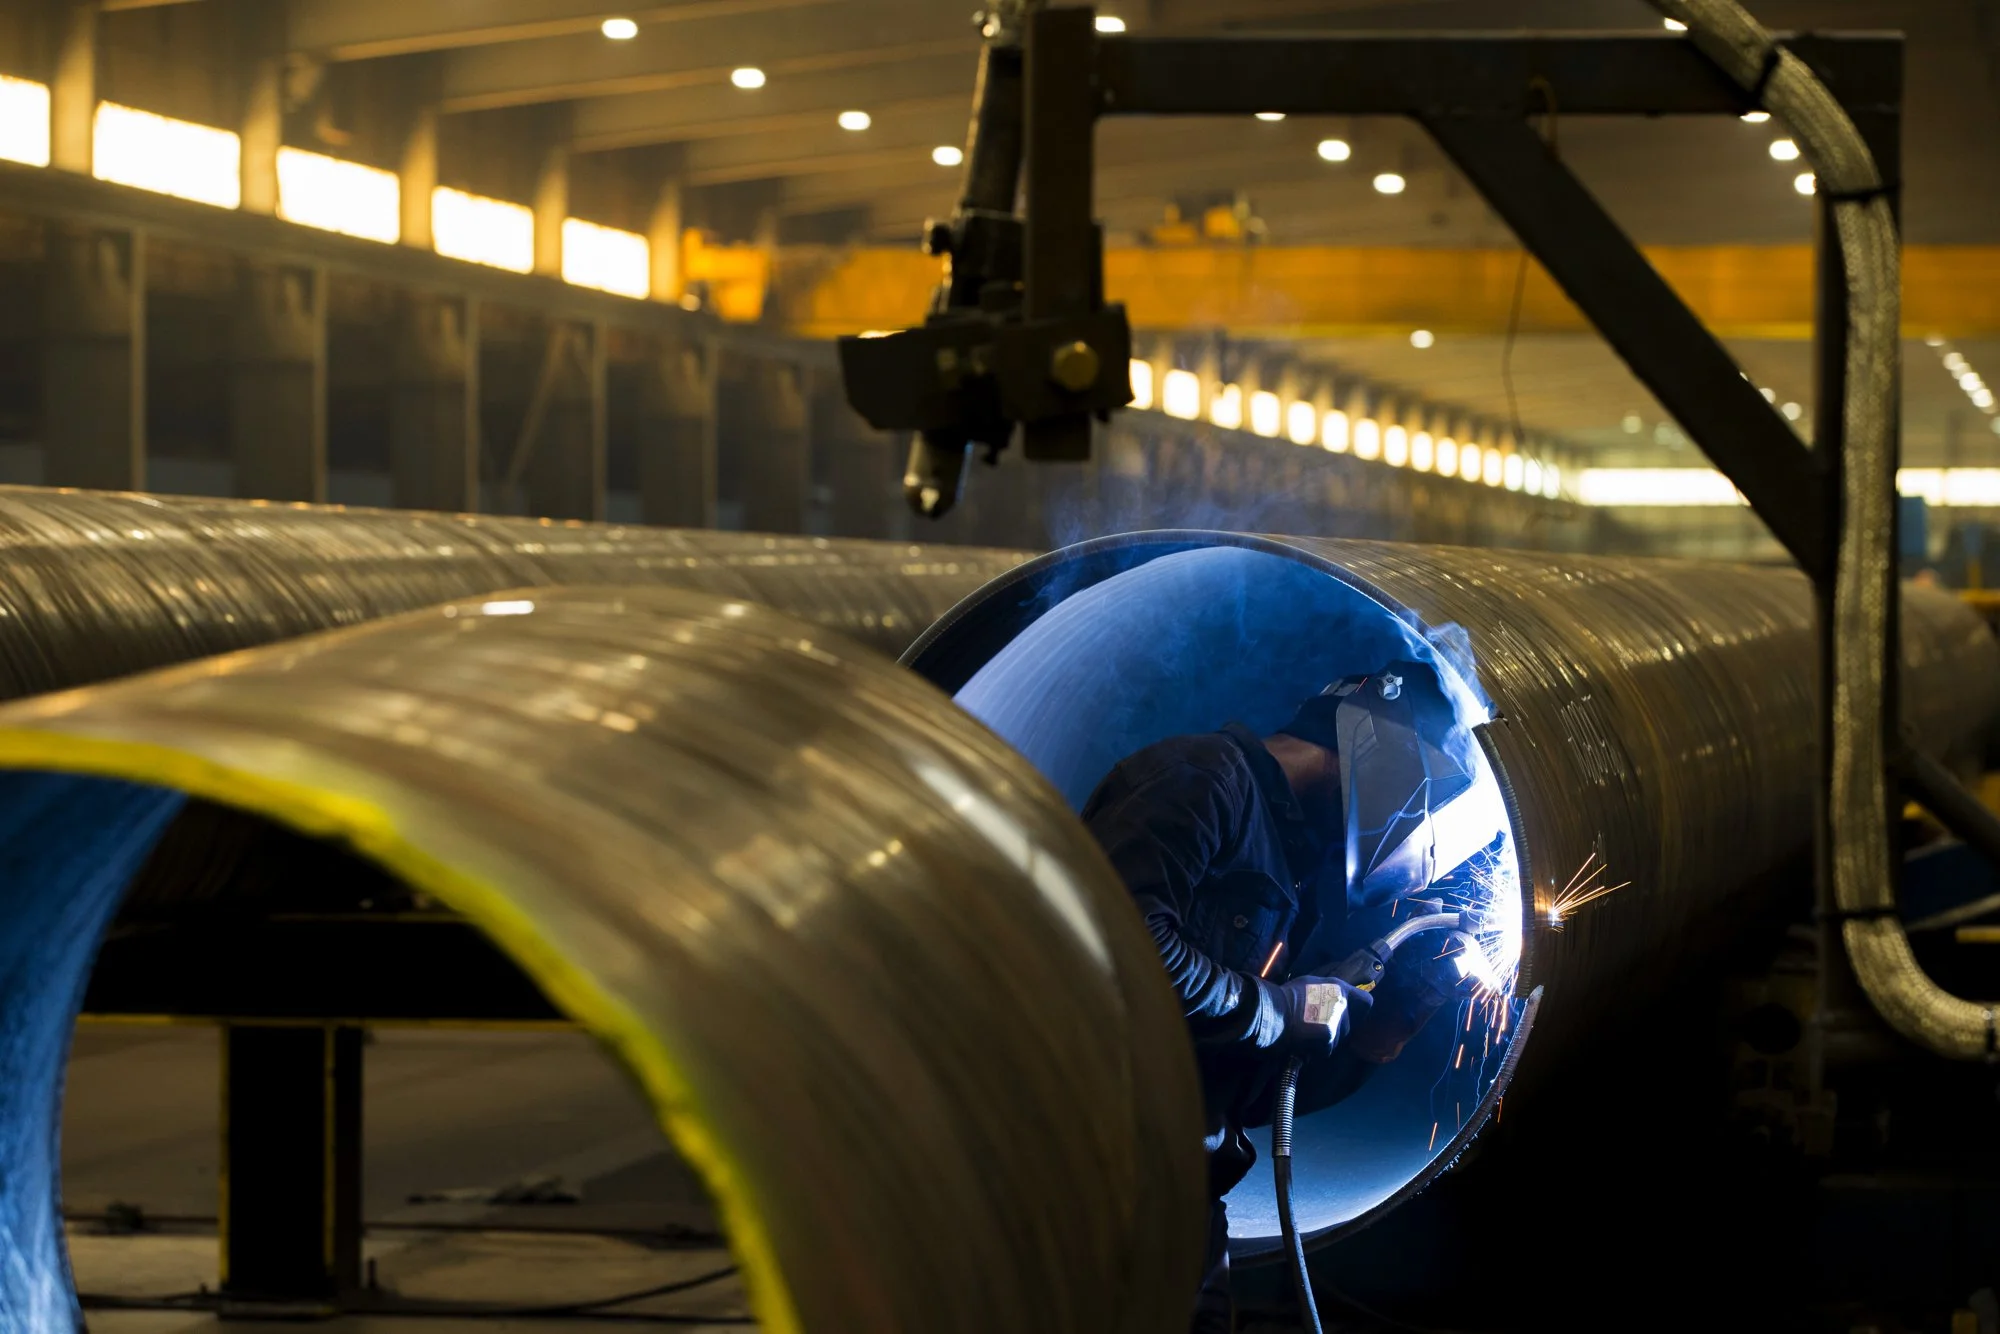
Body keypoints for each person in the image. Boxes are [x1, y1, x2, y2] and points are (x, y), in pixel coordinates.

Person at [1080, 668, 1468, 1334]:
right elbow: (1120, 951)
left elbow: (1253, 1091)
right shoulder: (1203, 778)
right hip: (1085, 1193)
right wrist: (1280, 1011)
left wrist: (1379, 1034)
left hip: (1185, 1215)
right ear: (1391, 754)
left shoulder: (1293, 873)